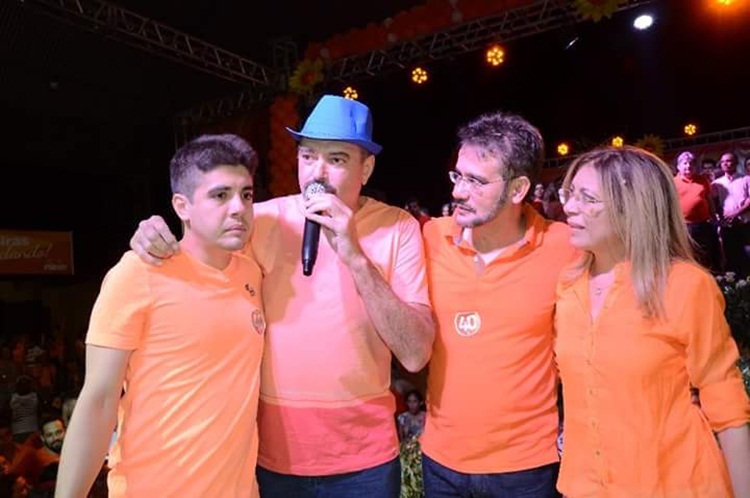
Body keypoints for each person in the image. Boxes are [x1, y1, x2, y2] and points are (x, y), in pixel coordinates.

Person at [128, 95, 434, 497]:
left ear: (366, 168)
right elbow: (195, 253)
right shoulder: (261, 219)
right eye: (308, 156)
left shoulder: (398, 228)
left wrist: (355, 256)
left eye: (336, 159)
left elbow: (415, 354)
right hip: (273, 458)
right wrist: (154, 232)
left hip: (365, 462)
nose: (317, 173)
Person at [55, 134, 266, 497]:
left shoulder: (251, 273)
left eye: (246, 194)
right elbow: (99, 401)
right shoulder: (139, 273)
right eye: (220, 195)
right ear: (182, 206)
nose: (238, 208)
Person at [556, 146, 750, 497]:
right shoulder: (568, 287)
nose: (569, 207)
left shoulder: (684, 286)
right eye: (568, 194)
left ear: (632, 207)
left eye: (587, 198)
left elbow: (726, 403)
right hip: (585, 486)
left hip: (674, 483)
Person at [420, 111, 576, 497]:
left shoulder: (564, 246)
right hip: (440, 462)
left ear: (518, 189)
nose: (458, 192)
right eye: (458, 176)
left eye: (476, 181)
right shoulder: (430, 239)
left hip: (525, 468)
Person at [673, 151, 720, 272]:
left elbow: (709, 199)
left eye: (692, 163)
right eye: (685, 163)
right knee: (688, 256)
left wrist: (714, 217)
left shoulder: (703, 180)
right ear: (678, 166)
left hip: (703, 224)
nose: (688, 166)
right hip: (684, 226)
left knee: (706, 254)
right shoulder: (672, 182)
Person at [712, 151, 750, 276]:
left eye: (728, 161)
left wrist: (736, 213)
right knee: (731, 258)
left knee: (747, 256)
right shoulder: (716, 183)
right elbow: (714, 204)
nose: (725, 164)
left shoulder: (746, 179)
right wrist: (723, 218)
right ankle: (736, 285)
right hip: (727, 227)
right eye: (723, 162)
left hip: (745, 226)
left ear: (736, 163)